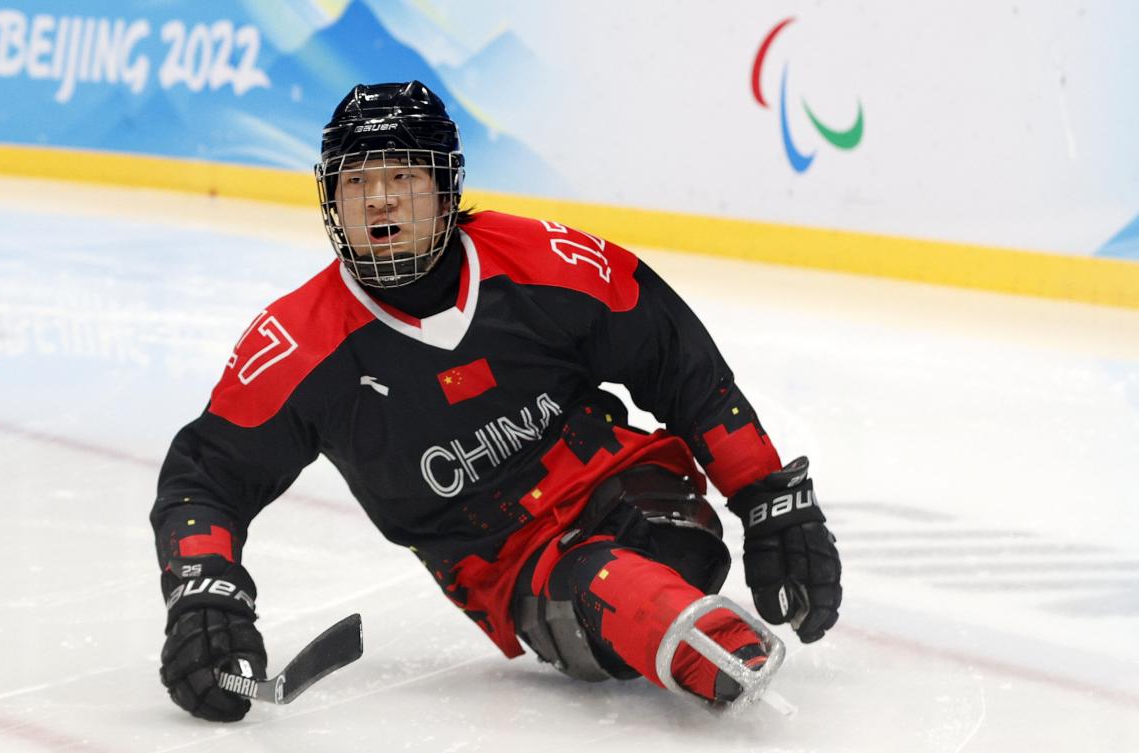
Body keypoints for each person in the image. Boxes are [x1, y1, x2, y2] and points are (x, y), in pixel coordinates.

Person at [151, 80, 842, 722]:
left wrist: (768, 498)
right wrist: (204, 594)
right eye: (356, 182)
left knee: (669, 550)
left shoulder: (549, 263)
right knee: (602, 585)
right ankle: (702, 638)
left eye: (402, 178)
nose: (379, 200)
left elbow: (678, 362)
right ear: (331, 200)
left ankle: (682, 612)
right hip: (512, 561)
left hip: (633, 492)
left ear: (447, 189)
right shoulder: (300, 345)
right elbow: (206, 478)